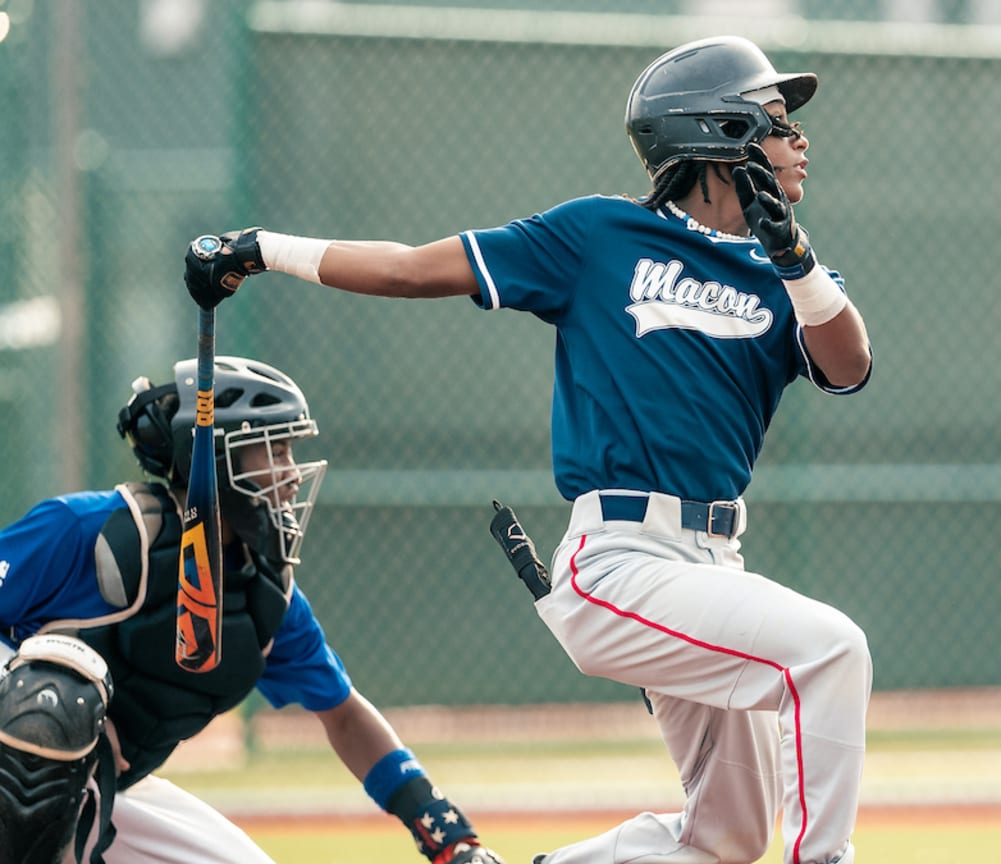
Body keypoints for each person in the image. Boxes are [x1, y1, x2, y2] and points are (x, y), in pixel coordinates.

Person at [184, 34, 873, 864]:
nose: (799, 139)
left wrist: (793, 257)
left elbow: (848, 365)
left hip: (712, 566)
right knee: (832, 652)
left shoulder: (788, 271)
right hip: (621, 561)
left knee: (725, 840)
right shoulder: (598, 236)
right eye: (774, 119)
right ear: (717, 132)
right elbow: (409, 270)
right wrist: (264, 249)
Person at [0, 356, 504, 864]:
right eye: (275, 450)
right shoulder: (90, 530)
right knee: (59, 697)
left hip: (105, 792)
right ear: (215, 457)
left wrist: (444, 833)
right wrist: (64, 714)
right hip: (20, 776)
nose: (291, 475)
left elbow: (344, 715)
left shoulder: (265, 594)